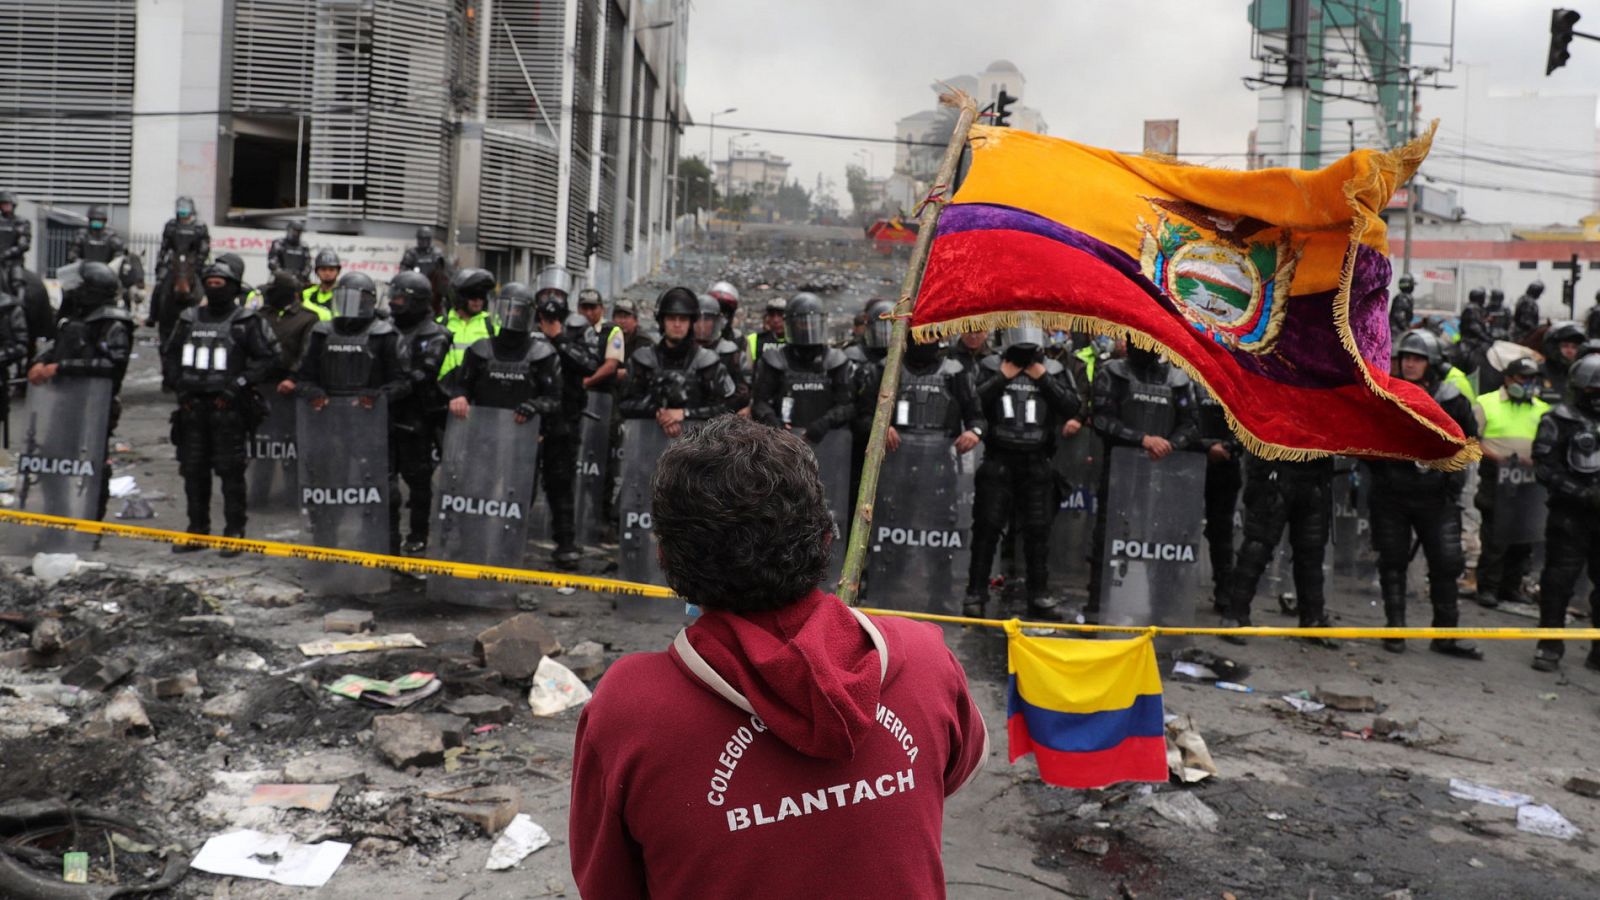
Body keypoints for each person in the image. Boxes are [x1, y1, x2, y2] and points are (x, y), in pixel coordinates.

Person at [568, 415, 987, 899]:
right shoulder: (924, 658)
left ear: (664, 559)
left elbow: (608, 886)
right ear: (826, 538)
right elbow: (948, 776)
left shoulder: (629, 711)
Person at [1365, 330, 1482, 657]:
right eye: (1406, 358)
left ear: (1431, 362)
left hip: (1436, 497)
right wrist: (1383, 470)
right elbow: (1366, 440)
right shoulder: (1386, 393)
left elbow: (1468, 443)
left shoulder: (1452, 398)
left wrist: (1451, 480)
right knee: (1392, 562)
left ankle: (1445, 635)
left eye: (1418, 358)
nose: (1411, 364)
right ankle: (1395, 630)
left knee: (1447, 564)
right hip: (1393, 496)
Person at [163, 261, 280, 551]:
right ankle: (198, 530)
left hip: (228, 408)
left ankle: (234, 531)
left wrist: (237, 385)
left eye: (221, 283)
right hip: (192, 408)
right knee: (193, 470)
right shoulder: (189, 318)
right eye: (210, 282)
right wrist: (181, 388)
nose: (215, 287)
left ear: (233, 287)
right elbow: (171, 355)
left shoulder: (247, 321)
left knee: (230, 472)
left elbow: (269, 358)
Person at [967, 321, 1080, 620]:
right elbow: (972, 401)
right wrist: (1001, 378)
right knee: (986, 529)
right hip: (998, 460)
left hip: (1037, 462)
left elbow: (1073, 406)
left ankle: (1039, 594)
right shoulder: (992, 366)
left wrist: (1043, 378)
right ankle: (975, 593)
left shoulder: (1053, 369)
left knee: (1038, 531)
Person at [1087, 345, 1197, 623]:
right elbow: (1100, 419)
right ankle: (1098, 605)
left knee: (1162, 540)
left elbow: (1191, 424)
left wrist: (1170, 445)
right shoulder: (1112, 373)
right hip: (1120, 470)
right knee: (1109, 537)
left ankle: (1161, 608)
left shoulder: (1178, 379)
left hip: (1163, 472)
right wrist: (1142, 439)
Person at [27, 262, 131, 520]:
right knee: (51, 463)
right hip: (63, 402)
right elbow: (57, 346)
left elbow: (110, 366)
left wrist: (59, 368)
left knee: (92, 466)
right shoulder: (76, 317)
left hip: (93, 407)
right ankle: (57, 519)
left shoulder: (113, 323)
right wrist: (40, 362)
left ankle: (90, 525)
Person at [1217, 454, 1338, 646]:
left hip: (1314, 473)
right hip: (1274, 469)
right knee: (1257, 547)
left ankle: (1313, 619)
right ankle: (1235, 613)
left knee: (1311, 552)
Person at [1531, 355, 1600, 672]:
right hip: (1570, 515)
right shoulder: (1558, 420)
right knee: (1558, 582)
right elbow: (1545, 467)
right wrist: (1581, 493)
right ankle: (1549, 646)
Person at [535, 280, 603, 566]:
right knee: (517, 479)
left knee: (561, 482)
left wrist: (559, 337)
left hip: (564, 417)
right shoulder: (526, 322)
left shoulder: (578, 328)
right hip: (528, 416)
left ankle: (566, 542)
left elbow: (590, 364)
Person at [1473, 357, 1549, 609]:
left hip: (1528, 481)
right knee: (1496, 537)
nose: (1528, 384)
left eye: (1532, 379)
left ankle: (1511, 587)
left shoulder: (1541, 409)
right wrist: (1498, 458)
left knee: (1524, 536)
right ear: (1508, 379)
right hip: (1497, 478)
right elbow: (1472, 440)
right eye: (1523, 378)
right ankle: (1488, 587)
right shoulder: (1486, 403)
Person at [388, 271, 452, 553]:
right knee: (384, 476)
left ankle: (418, 532)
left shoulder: (435, 334)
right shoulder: (385, 328)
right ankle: (387, 532)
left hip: (420, 414)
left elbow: (426, 371)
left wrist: (397, 387)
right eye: (394, 296)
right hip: (386, 412)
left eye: (401, 298)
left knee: (418, 478)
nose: (395, 302)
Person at [619, 287, 735, 432]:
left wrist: (684, 414)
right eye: (671, 318)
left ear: (691, 323)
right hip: (647, 443)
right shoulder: (642, 359)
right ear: (662, 321)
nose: (677, 324)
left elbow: (726, 409)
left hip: (698, 447)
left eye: (683, 319)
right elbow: (624, 404)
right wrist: (658, 413)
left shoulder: (708, 362)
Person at [750, 293, 851, 444]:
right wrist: (773, 422)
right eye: (802, 323)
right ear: (791, 325)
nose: (808, 328)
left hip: (827, 441)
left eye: (812, 323)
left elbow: (848, 405)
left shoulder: (836, 360)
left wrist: (825, 422)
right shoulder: (775, 359)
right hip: (782, 442)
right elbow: (760, 402)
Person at [1194, 385, 1242, 615]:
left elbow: (1248, 419)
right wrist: (1205, 446)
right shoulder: (1183, 375)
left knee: (1221, 533)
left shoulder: (1234, 376)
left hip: (1225, 465)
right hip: (1188, 462)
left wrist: (1228, 446)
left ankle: (1224, 593)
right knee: (1177, 529)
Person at [846, 298, 894, 493]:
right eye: (880, 329)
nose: (884, 335)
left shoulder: (901, 359)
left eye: (889, 329)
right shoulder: (852, 355)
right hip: (856, 434)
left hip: (890, 438)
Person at [259, 270, 319, 380]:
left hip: (290, 382)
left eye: (273, 291)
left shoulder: (307, 318)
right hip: (259, 379)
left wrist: (293, 378)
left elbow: (306, 354)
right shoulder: (261, 314)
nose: (268, 294)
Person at [439, 267, 497, 378]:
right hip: (443, 391)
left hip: (476, 391)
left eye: (481, 296)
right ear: (459, 297)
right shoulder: (440, 325)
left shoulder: (492, 326)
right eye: (473, 295)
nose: (478, 301)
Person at [695, 293, 749, 412]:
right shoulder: (686, 351)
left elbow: (741, 392)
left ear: (716, 322)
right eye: (697, 319)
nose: (701, 325)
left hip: (720, 418)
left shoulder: (729, 351)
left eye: (707, 320)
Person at [576, 287, 625, 390]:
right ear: (578, 309)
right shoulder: (572, 329)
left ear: (602, 309)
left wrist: (587, 382)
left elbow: (610, 366)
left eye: (593, 308)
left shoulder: (613, 330)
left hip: (602, 392)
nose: (588, 313)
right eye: (585, 308)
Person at [1537, 321, 1586, 405]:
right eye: (1565, 346)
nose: (1570, 351)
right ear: (1553, 347)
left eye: (1574, 347)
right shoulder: (1538, 372)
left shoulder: (1584, 374)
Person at [745, 296, 788, 363]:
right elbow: (748, 370)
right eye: (771, 315)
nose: (776, 320)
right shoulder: (755, 339)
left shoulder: (798, 340)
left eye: (780, 314)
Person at [301, 249, 339, 320]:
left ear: (338, 271)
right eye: (323, 269)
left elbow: (337, 319)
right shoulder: (307, 293)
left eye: (331, 269)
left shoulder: (342, 295)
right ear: (316, 271)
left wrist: (308, 306)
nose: (327, 273)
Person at [1389, 273, 1415, 337]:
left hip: (1397, 331)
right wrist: (1407, 329)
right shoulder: (1403, 298)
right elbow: (1399, 316)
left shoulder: (1402, 297)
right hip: (1396, 333)